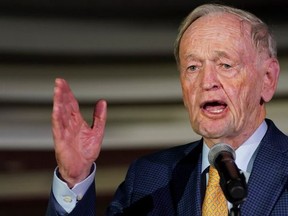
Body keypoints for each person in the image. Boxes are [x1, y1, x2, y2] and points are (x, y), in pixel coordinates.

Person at [46, 3, 288, 216]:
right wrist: (74, 179)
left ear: (267, 79)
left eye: (225, 65)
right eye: (193, 67)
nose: (207, 82)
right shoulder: (147, 177)